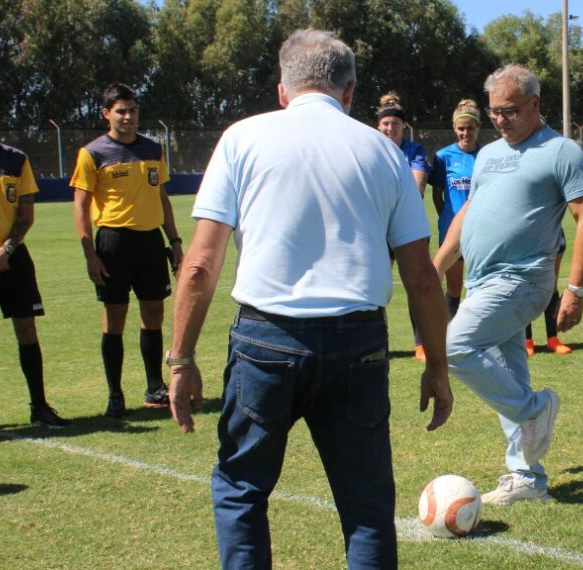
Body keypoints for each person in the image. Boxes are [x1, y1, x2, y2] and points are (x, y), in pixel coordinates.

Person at [166, 29, 453, 568]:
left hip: (265, 340)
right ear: (349, 92)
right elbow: (421, 278)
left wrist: (180, 359)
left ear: (282, 90)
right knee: (366, 509)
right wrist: (437, 365)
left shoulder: (241, 139)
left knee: (241, 490)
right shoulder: (384, 152)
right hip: (359, 344)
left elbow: (201, 264)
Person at [433, 64, 583, 505]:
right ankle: (527, 476)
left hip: (523, 279)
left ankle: (535, 411)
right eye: (494, 113)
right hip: (479, 279)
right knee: (510, 374)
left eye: (509, 111)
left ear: (535, 104)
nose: (500, 120)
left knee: (454, 346)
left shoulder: (562, 152)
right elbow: (468, 215)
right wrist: (438, 265)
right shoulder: (487, 154)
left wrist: (576, 290)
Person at [70, 83, 184, 418]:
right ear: (106, 114)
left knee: (153, 314)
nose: (128, 116)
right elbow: (80, 207)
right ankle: (115, 395)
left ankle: (154, 387)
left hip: (150, 242)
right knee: (115, 318)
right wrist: (90, 254)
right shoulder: (92, 153)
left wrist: (175, 241)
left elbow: (162, 199)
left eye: (133, 110)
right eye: (121, 110)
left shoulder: (152, 149)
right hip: (113, 244)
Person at [0, 87, 69, 435]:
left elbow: (25, 215)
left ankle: (39, 406)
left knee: (26, 328)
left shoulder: (16, 159)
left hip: (14, 259)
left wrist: (5, 251)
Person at [376, 92, 432, 360]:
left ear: (403, 126)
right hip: (378, 228)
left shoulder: (416, 151)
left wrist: (384, 191)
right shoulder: (371, 149)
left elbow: (418, 188)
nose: (389, 128)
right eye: (385, 124)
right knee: (377, 286)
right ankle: (379, 341)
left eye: (394, 124)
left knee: (416, 284)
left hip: (410, 228)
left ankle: (420, 343)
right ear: (378, 126)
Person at [430, 99, 481, 321]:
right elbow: (437, 195)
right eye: (461, 128)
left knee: (480, 286)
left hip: (482, 230)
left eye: (470, 128)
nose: (465, 133)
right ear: (454, 128)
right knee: (453, 288)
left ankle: (480, 336)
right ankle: (451, 336)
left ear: (478, 128)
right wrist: (449, 218)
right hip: (452, 230)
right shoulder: (443, 157)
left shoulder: (487, 155)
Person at [524, 239, 572, 357]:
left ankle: (553, 339)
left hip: (553, 238)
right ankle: (527, 341)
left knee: (551, 286)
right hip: (526, 239)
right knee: (526, 287)